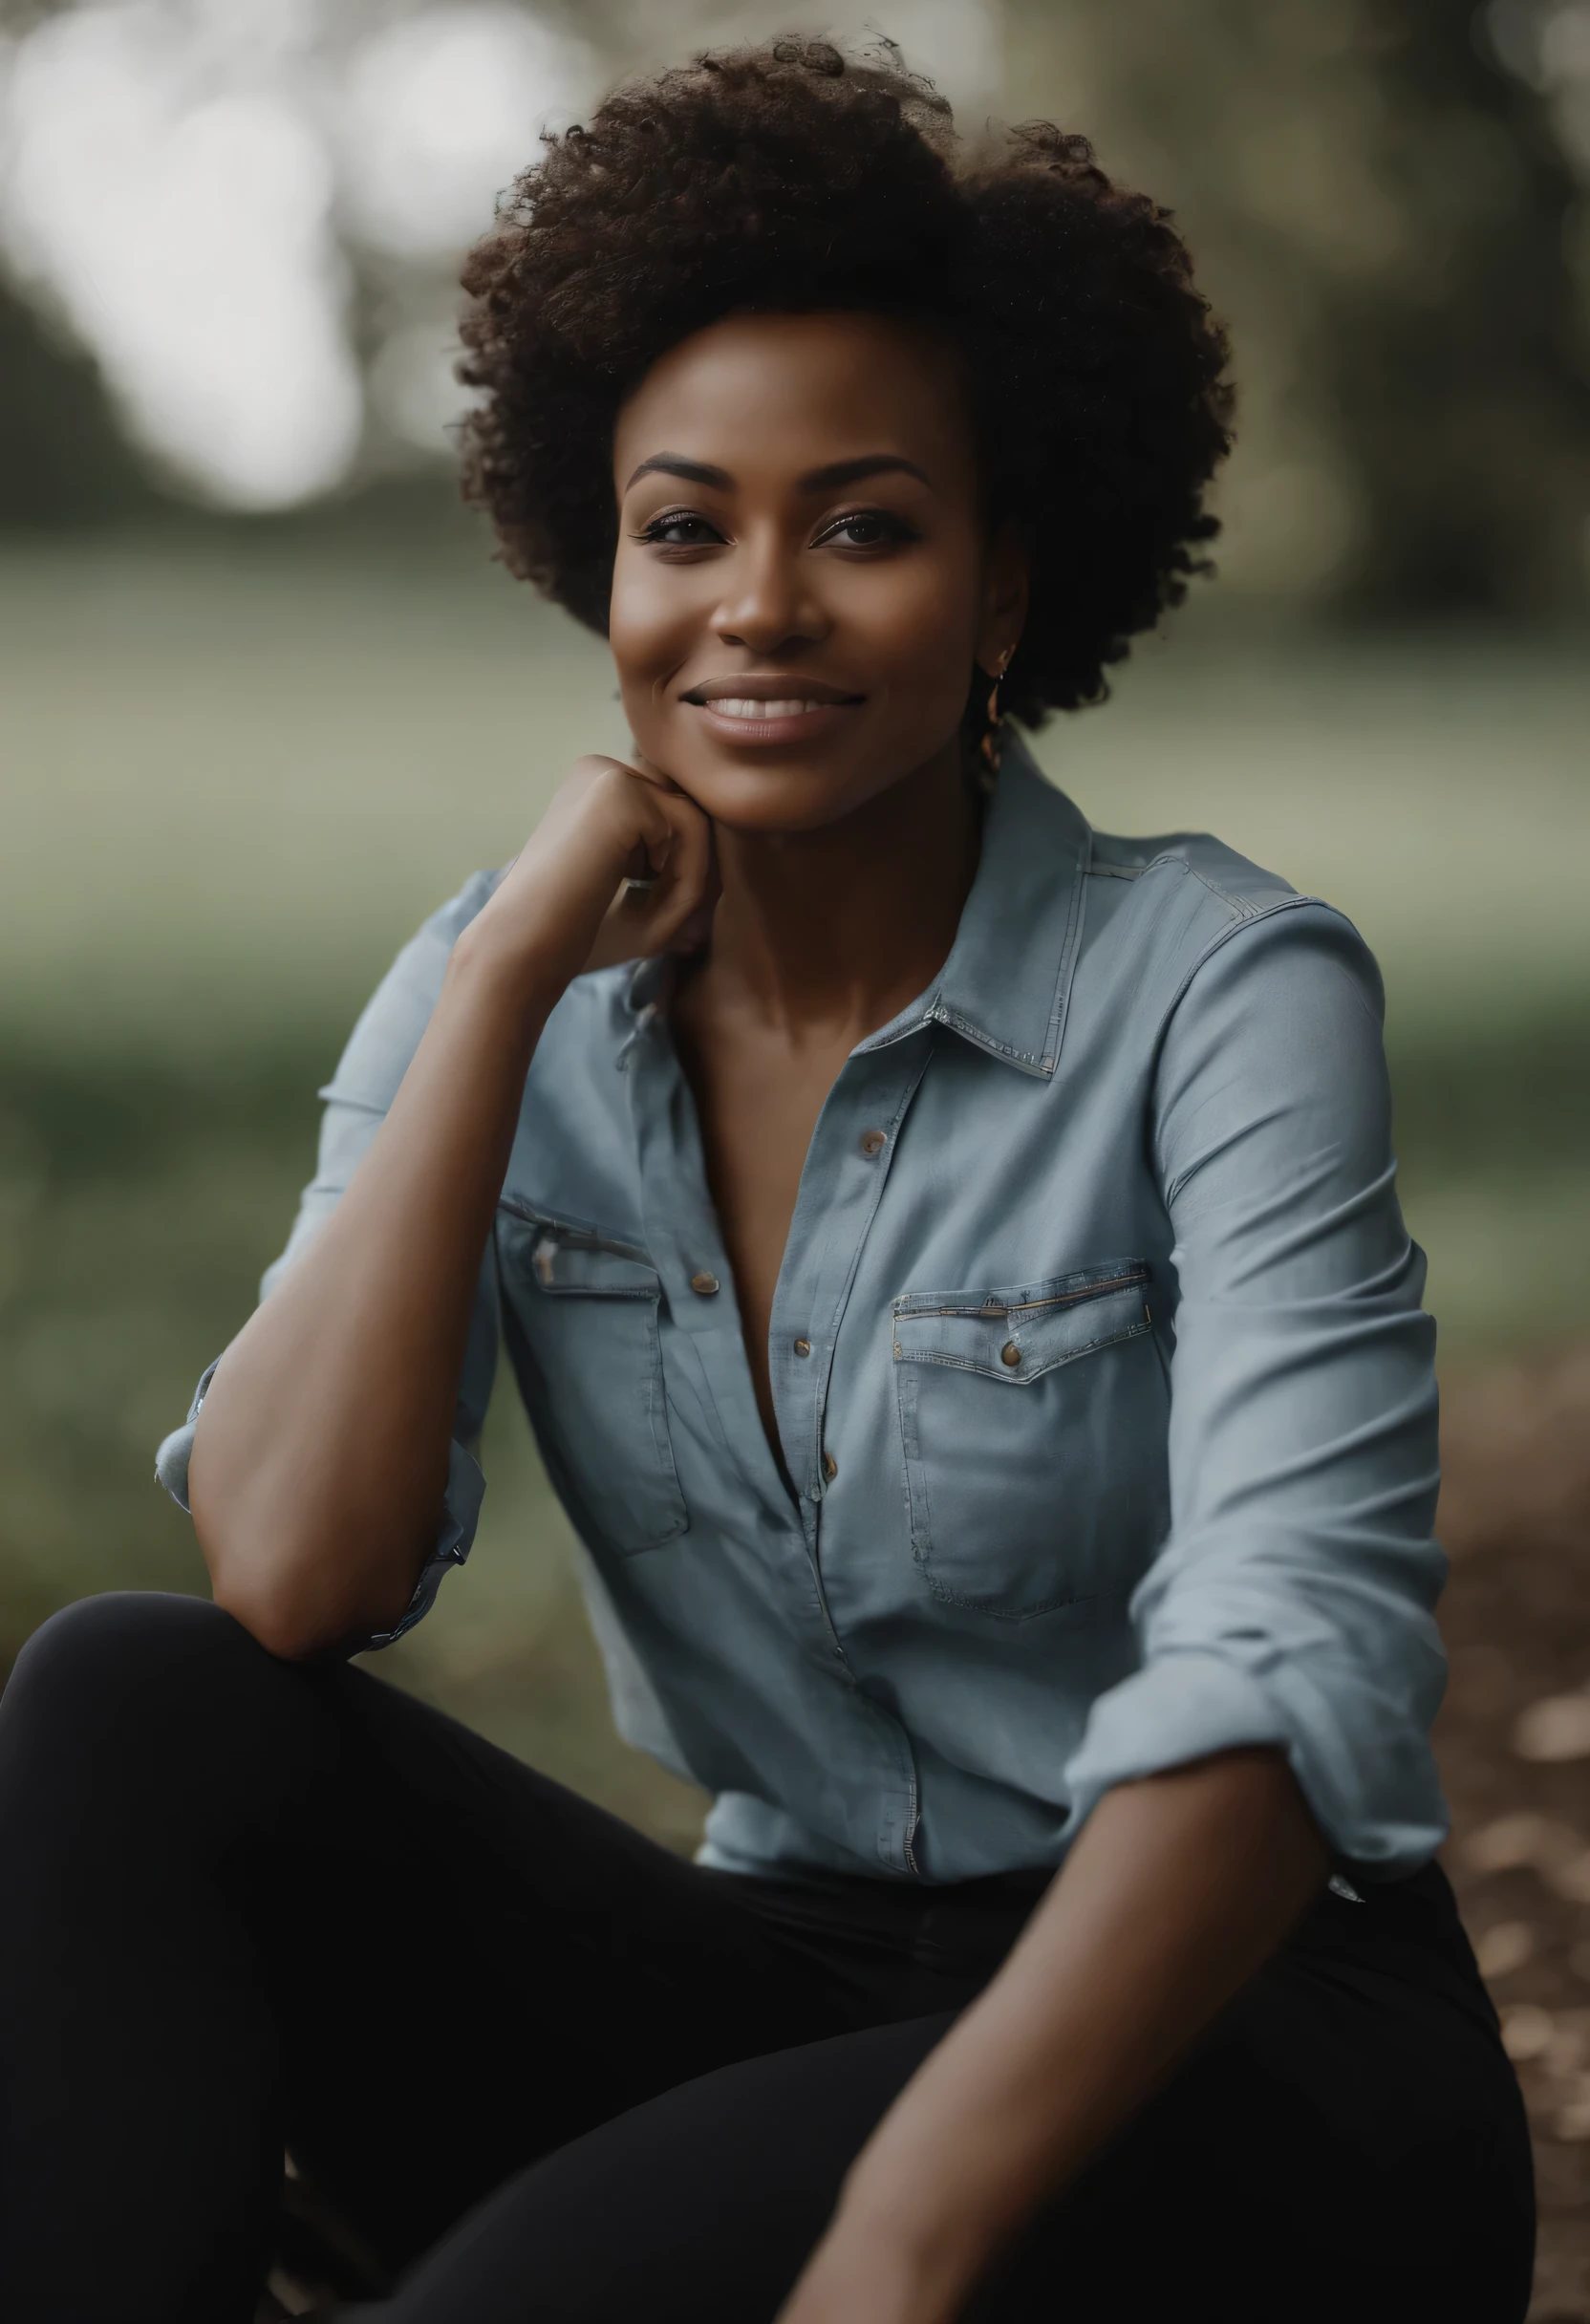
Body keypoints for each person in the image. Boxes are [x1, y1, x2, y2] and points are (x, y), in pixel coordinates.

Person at [0, 37, 1534, 2324]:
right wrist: (512, 970)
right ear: (594, 559)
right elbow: (296, 1573)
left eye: (866, 524)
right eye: (686, 524)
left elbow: (1288, 1667)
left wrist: (906, 2232)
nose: (761, 605)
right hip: (781, 1975)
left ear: (1006, 590)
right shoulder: (491, 982)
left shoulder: (1218, 989)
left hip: (1237, 2043)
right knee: (130, 1692)